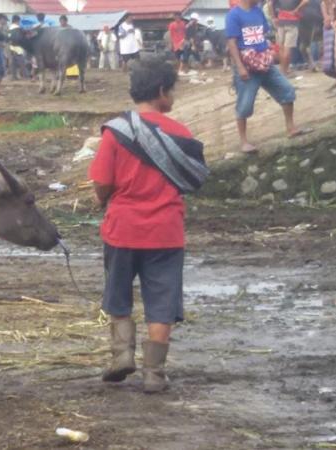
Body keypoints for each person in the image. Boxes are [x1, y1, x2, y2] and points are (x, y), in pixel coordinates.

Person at [89, 57, 206, 394]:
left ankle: (122, 356)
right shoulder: (182, 134)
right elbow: (194, 178)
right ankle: (154, 373)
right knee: (162, 302)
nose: (173, 97)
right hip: (166, 233)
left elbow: (101, 183)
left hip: (122, 229)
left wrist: (106, 198)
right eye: (172, 90)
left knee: (118, 295)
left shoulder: (116, 132)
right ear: (161, 92)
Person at [226, 0, 310, 153]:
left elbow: (263, 35)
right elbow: (232, 43)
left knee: (287, 90)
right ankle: (244, 141)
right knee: (244, 105)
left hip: (265, 64)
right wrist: (240, 67)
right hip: (247, 67)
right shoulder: (234, 15)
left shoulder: (258, 11)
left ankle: (290, 127)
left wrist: (270, 51)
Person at [271, 0, 309, 75]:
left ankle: (283, 70)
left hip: (280, 21)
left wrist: (274, 17)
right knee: (287, 49)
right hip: (292, 22)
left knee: (281, 48)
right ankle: (285, 71)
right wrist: (297, 9)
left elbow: (271, 4)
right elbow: (306, 1)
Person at [9, 15, 27, 80]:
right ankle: (25, 76)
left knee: (13, 63)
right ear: (17, 21)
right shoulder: (18, 28)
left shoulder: (10, 27)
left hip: (11, 47)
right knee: (22, 62)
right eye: (19, 21)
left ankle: (14, 76)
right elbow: (19, 38)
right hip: (18, 47)